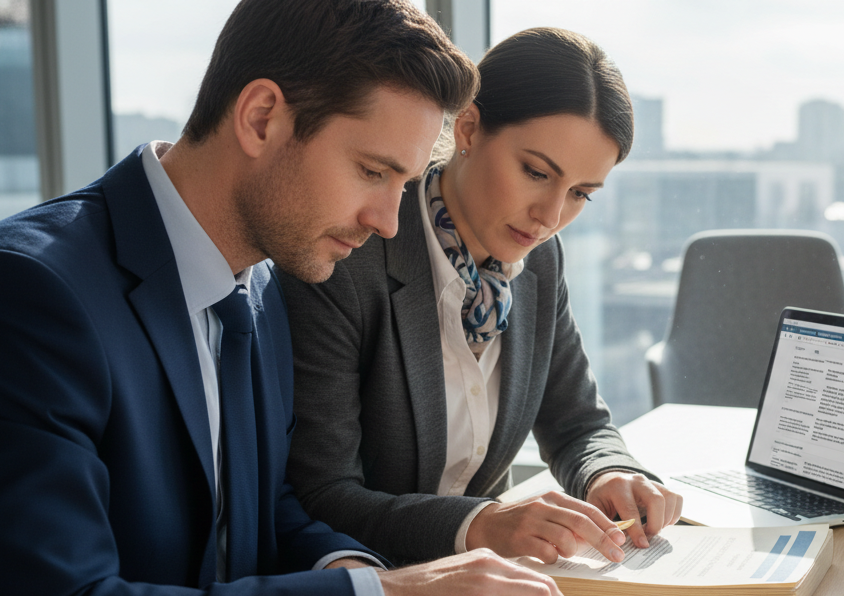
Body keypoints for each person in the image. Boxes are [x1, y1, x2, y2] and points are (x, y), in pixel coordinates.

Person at [0, 3, 580, 596]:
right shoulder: (33, 294)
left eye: (403, 182)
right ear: (263, 117)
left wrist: (366, 581)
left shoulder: (261, 279)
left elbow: (262, 514)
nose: (388, 221)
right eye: (373, 171)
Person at [281, 28, 683, 568]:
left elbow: (577, 423)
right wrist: (480, 525)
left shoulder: (538, 259)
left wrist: (608, 471)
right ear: (468, 126)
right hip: (369, 589)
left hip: (482, 588)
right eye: (537, 173)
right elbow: (323, 496)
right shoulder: (348, 258)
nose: (551, 217)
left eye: (581, 194)